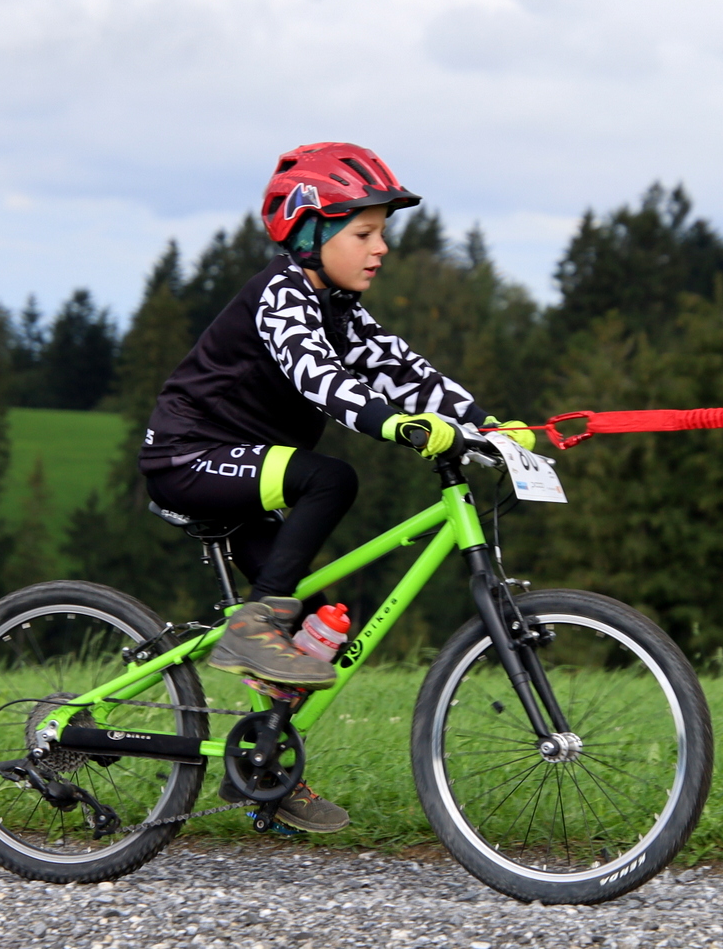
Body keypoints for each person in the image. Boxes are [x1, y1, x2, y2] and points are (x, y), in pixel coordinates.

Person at [138, 141, 534, 831]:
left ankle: (263, 770)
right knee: (330, 477)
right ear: (309, 234)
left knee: (319, 628)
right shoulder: (281, 295)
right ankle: (251, 627)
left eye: (383, 232)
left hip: (248, 469)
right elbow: (317, 378)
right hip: (189, 457)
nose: (381, 247)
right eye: (364, 233)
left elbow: (404, 371)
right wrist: (396, 426)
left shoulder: (341, 308)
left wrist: (486, 423)